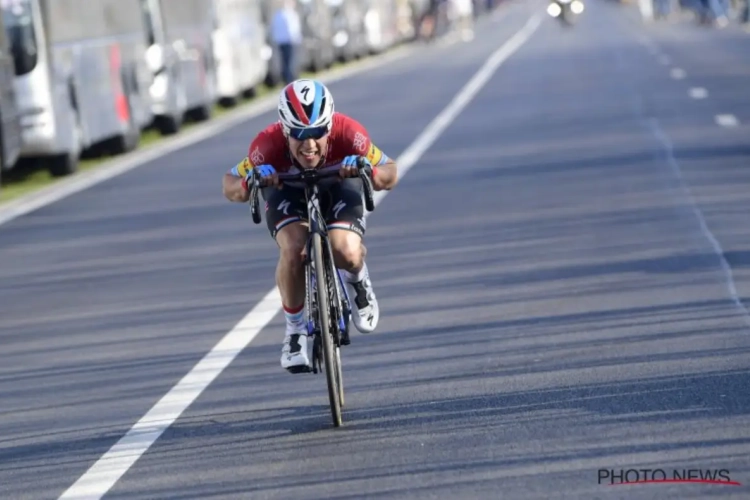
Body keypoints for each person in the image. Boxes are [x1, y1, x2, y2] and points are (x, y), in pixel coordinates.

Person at [222, 79, 399, 373]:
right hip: (287, 191)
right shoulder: (265, 146)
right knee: (292, 250)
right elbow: (229, 185)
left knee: (345, 250)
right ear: (283, 129)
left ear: (329, 125)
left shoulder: (350, 134)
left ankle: (358, 280)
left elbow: (390, 172)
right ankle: (294, 332)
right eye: (298, 135)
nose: (309, 145)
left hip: (339, 185)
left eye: (318, 133)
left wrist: (368, 171)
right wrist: (250, 181)